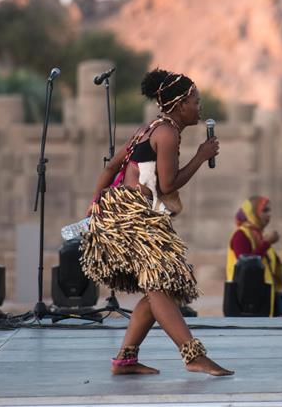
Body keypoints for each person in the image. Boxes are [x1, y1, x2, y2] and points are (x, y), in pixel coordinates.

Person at [81, 68, 233, 377]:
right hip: (134, 217)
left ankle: (125, 359)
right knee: (160, 287)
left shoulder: (148, 128)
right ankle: (193, 355)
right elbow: (167, 185)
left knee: (157, 289)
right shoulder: (167, 133)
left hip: (125, 213)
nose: (200, 107)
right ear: (180, 104)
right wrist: (201, 156)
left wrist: (95, 204)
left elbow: (111, 167)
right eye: (196, 101)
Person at [225, 196, 282, 316]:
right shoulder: (240, 235)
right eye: (265, 210)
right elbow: (247, 265)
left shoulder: (259, 235)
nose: (269, 215)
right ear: (253, 213)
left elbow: (268, 266)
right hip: (245, 300)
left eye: (269, 211)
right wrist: (266, 244)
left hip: (263, 297)